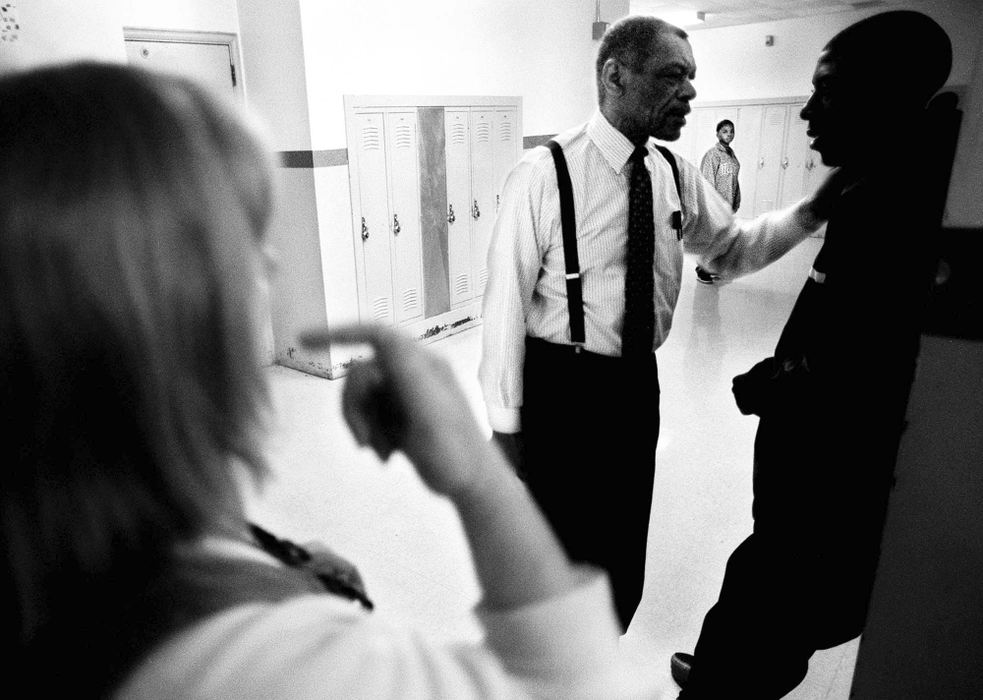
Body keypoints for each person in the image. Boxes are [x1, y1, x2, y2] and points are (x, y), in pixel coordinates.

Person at [0, 61, 660, 699]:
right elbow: (581, 684)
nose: (274, 264)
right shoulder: (276, 668)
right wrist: (476, 477)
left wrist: (272, 560)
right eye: (247, 244)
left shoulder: (59, 552)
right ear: (164, 312)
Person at [480, 14, 842, 632]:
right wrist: (505, 427)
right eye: (673, 76)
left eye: (693, 78)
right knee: (549, 551)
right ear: (615, 76)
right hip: (559, 390)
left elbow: (732, 248)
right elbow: (503, 310)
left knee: (620, 539)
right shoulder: (544, 176)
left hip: (633, 387)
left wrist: (811, 212)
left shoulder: (673, 173)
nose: (691, 93)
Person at [671, 11, 956, 698]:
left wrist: (770, 382)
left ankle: (721, 679)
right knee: (763, 607)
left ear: (884, 97)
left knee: (767, 600)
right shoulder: (875, 184)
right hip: (805, 489)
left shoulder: (898, 202)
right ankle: (727, 666)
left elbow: (868, 360)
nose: (805, 111)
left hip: (827, 488)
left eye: (825, 91)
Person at [695, 119, 741, 284]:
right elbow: (707, 182)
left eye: (731, 131)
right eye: (724, 131)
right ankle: (702, 270)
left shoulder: (731, 155)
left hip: (727, 205)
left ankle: (712, 267)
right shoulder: (712, 155)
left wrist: (736, 201)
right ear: (717, 134)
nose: (729, 134)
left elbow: (734, 180)